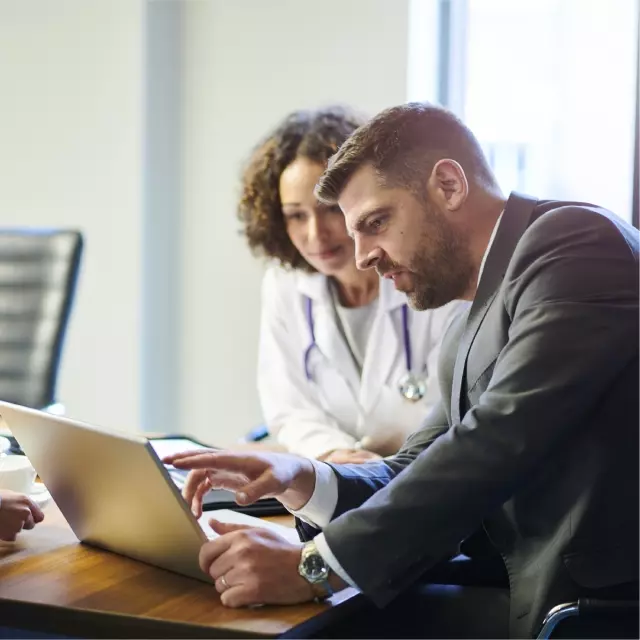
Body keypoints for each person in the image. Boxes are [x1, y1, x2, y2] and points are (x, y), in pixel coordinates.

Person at [166, 103, 639, 638]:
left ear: (448, 185)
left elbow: (497, 443)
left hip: (590, 610)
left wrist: (313, 566)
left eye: (376, 223)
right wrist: (303, 477)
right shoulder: (471, 318)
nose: (362, 254)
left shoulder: (574, 244)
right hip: (510, 583)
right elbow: (419, 463)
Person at [238, 107, 462, 462]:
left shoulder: (429, 276)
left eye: (329, 209)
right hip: (331, 476)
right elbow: (289, 408)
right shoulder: (286, 286)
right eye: (296, 215)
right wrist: (335, 454)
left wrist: (375, 463)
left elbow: (449, 410)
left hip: (423, 478)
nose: (316, 235)